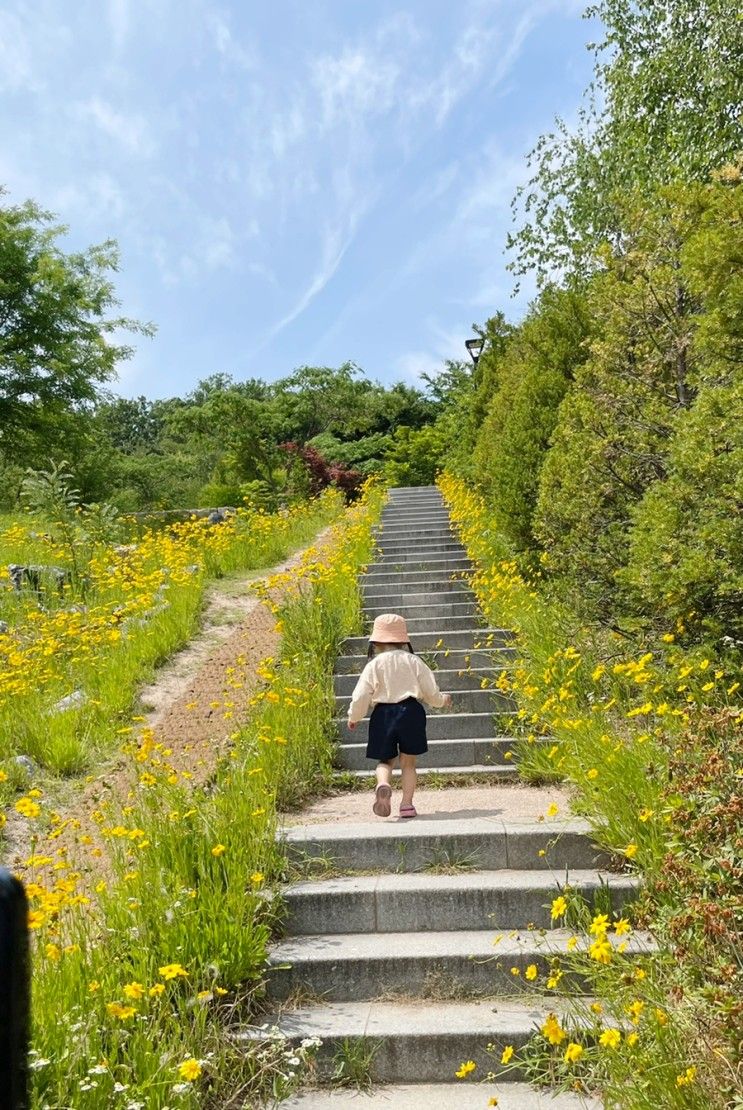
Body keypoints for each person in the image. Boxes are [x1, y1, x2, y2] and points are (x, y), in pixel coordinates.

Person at [347, 613, 452, 819]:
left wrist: (354, 716)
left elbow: (361, 695)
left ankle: (383, 783)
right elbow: (430, 691)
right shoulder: (414, 661)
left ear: (376, 642)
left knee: (384, 760)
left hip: (383, 715)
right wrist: (442, 700)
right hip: (411, 712)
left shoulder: (373, 665)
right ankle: (406, 805)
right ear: (404, 640)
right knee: (408, 762)